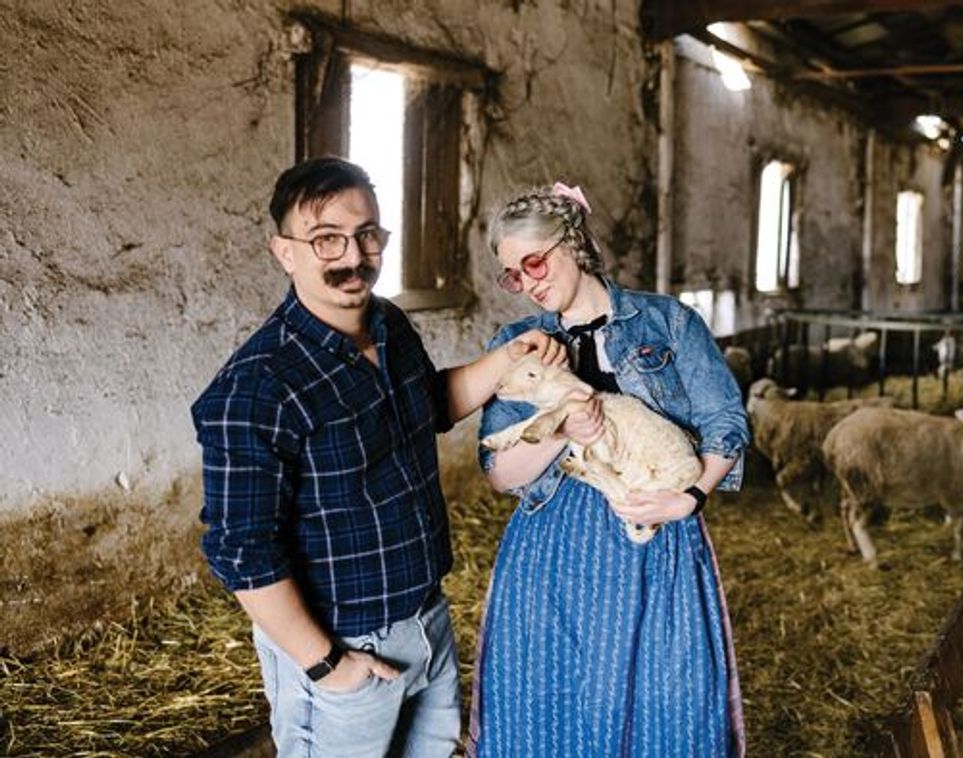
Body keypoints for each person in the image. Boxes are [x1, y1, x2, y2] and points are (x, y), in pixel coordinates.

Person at [191, 156, 563, 757]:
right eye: (326, 239)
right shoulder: (257, 388)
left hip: (425, 618)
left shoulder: (388, 324)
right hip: (342, 645)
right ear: (284, 252)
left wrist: (507, 360)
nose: (353, 255)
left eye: (367, 235)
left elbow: (429, 405)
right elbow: (241, 553)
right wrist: (327, 665)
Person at [467, 182, 750, 756]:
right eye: (513, 275)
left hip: (653, 532)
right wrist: (561, 433)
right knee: (547, 695)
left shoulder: (667, 322)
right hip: (551, 546)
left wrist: (691, 496)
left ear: (572, 243)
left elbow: (726, 422)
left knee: (665, 695)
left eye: (534, 262)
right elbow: (499, 472)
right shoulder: (516, 344)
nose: (528, 283)